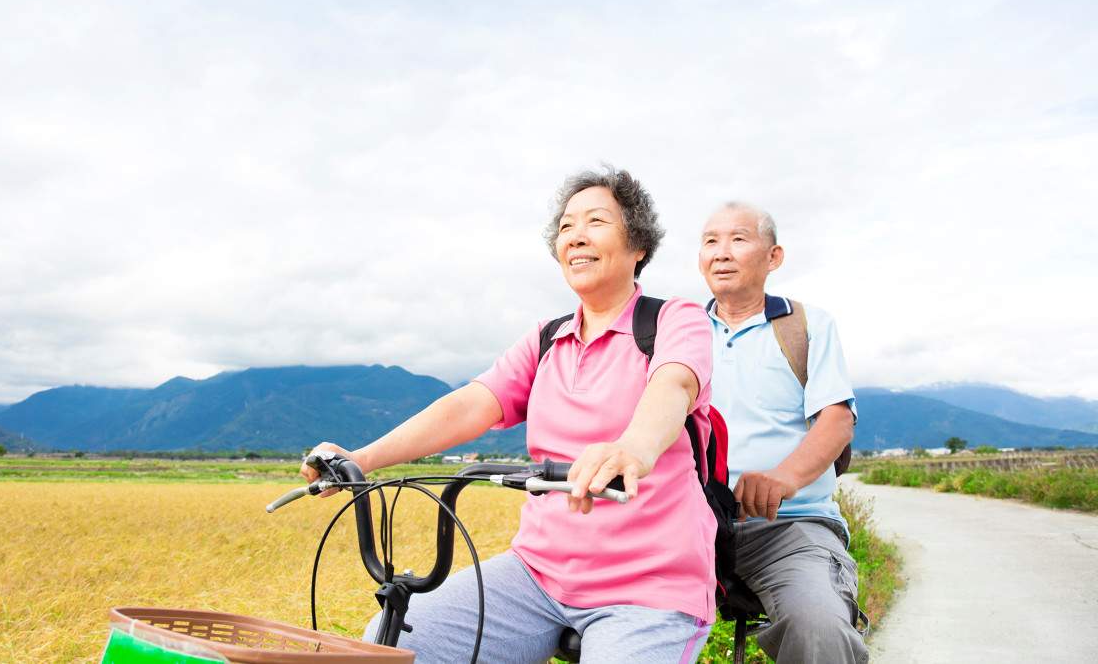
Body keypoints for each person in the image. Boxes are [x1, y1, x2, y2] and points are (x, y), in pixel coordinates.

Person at [303, 167, 717, 663]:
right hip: (537, 574)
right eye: (566, 227)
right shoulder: (546, 338)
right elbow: (469, 405)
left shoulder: (674, 319)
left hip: (649, 586)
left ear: (639, 245)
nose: (577, 236)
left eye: (597, 221)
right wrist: (362, 459)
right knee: (397, 641)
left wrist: (633, 447)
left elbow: (673, 385)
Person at [698, 202, 867, 663]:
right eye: (710, 241)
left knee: (818, 628)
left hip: (788, 527)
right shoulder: (680, 332)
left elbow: (837, 419)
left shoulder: (807, 325)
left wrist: (783, 478)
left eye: (738, 239)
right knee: (600, 612)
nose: (721, 253)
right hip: (688, 525)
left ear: (773, 257)